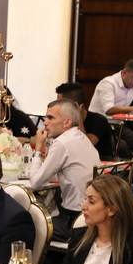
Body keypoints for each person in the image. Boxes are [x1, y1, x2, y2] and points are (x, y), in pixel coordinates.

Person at [30, 99, 101, 241]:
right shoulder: (81, 137)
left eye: (50, 118)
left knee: (28, 226)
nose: (45, 122)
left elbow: (35, 183)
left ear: (67, 122)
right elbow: (62, 175)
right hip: (94, 214)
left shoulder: (62, 143)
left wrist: (38, 148)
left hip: (75, 220)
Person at [88, 59, 133, 154]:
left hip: (118, 126)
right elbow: (109, 109)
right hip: (99, 127)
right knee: (123, 147)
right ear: (124, 73)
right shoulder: (108, 83)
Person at [56, 82, 114, 160]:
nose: (56, 106)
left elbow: (85, 146)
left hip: (100, 162)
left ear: (77, 106)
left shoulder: (99, 120)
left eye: (60, 104)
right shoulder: (64, 120)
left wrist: (78, 115)